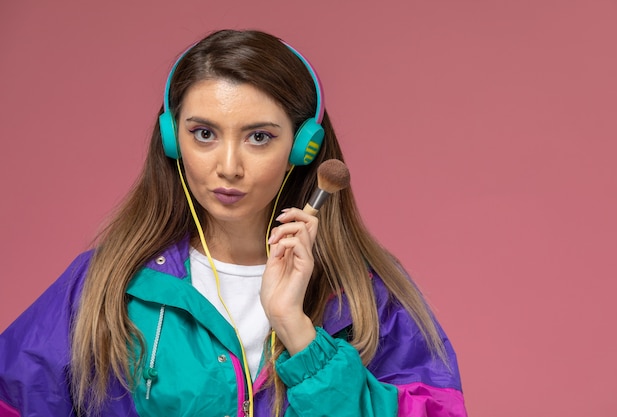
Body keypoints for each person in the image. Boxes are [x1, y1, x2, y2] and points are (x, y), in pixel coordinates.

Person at [0, 29, 467, 417]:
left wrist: (298, 332)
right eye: (203, 134)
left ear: (302, 150)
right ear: (172, 139)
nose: (228, 166)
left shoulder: (365, 295)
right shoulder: (106, 283)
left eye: (259, 137)